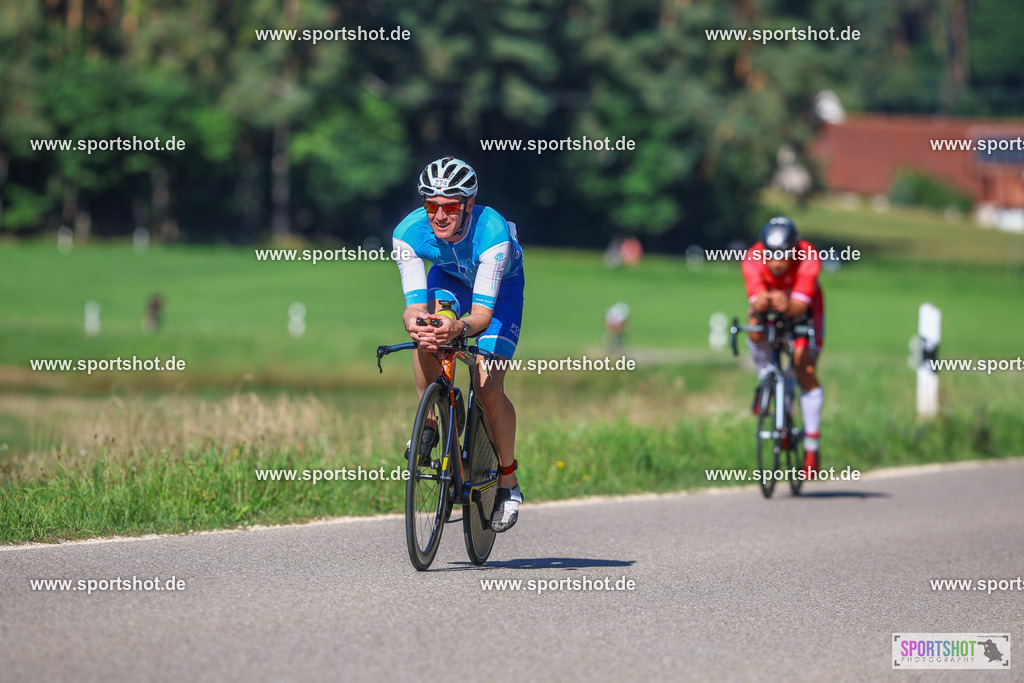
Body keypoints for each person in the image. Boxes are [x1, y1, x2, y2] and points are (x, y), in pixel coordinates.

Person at [392, 157, 526, 532]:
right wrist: (416, 321)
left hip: (499, 294)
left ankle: (508, 480)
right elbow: (414, 306)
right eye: (431, 205)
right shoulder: (407, 233)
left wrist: (459, 327)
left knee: (487, 386)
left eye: (450, 207)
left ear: (468, 204)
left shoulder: (492, 232)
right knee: (425, 331)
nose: (439, 215)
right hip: (449, 280)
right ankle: (431, 421)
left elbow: (481, 318)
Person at [741, 217, 825, 479]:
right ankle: (765, 377)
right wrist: (760, 302)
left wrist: (786, 303)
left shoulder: (809, 256)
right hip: (772, 311)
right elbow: (754, 298)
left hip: (805, 314)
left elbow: (799, 305)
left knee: (803, 367)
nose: (776, 263)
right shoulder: (752, 258)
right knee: (754, 328)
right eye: (771, 256)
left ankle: (811, 449)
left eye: (783, 256)